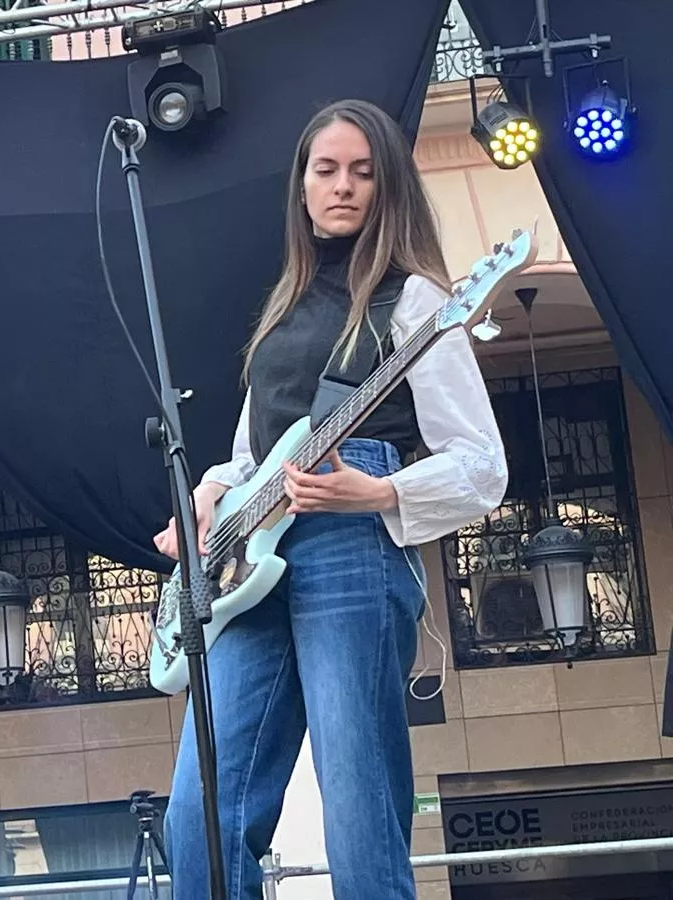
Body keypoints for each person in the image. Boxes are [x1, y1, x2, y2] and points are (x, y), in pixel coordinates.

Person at [153, 98, 507, 899]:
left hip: (351, 540)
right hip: (252, 557)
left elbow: (482, 466)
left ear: (388, 188)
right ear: (303, 187)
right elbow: (252, 456)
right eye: (326, 169)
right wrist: (207, 496)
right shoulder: (284, 309)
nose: (342, 186)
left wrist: (378, 491)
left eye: (363, 172)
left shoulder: (415, 300)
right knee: (199, 817)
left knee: (357, 806)